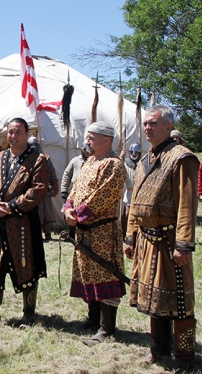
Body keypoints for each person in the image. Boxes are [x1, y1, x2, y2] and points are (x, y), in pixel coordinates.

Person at [125, 105, 198, 369]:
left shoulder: (182, 158)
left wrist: (184, 244)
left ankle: (186, 357)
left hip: (169, 242)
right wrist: (131, 236)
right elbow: (135, 203)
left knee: (179, 299)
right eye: (145, 124)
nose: (148, 128)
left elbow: (187, 205)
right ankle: (158, 349)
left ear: (168, 126)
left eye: (153, 123)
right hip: (146, 241)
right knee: (153, 296)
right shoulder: (145, 160)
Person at [0, 118, 48, 327]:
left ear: (26, 134)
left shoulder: (38, 159)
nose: (13, 136)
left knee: (26, 265)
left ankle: (29, 314)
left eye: (18, 132)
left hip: (23, 223)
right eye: (10, 132)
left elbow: (38, 189)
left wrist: (12, 206)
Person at [63, 122, 126, 346]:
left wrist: (77, 215)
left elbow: (103, 197)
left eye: (91, 137)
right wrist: (67, 209)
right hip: (84, 232)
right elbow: (75, 188)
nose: (87, 141)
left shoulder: (115, 165)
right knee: (88, 274)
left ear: (105, 140)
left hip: (103, 232)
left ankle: (107, 328)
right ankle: (93, 319)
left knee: (105, 275)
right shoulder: (89, 161)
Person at [28, 136, 58, 242]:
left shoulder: (46, 158)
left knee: (46, 214)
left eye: (36, 145)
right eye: (31, 145)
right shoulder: (26, 158)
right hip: (30, 191)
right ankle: (35, 235)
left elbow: (52, 174)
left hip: (44, 190)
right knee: (34, 215)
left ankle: (48, 234)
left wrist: (54, 187)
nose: (34, 147)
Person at [119, 142, 142, 220]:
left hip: (139, 194)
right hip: (129, 193)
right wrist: (121, 157)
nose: (134, 154)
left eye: (136, 152)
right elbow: (118, 167)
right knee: (127, 216)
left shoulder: (142, 163)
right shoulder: (125, 163)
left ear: (139, 153)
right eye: (132, 152)